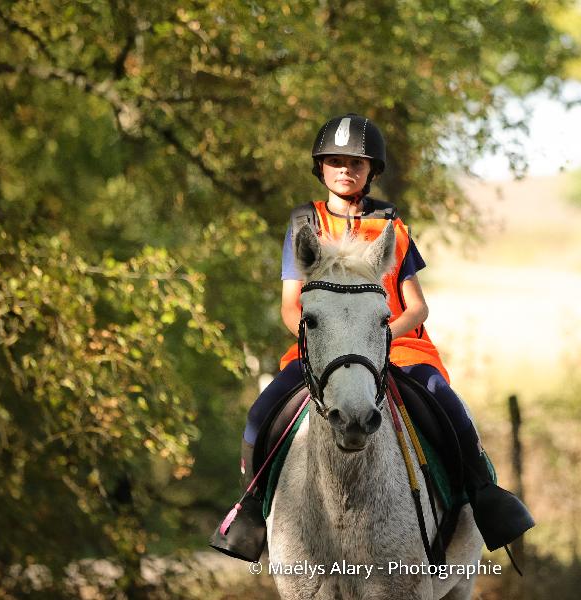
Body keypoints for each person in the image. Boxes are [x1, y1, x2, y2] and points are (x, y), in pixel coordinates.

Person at [222, 113, 534, 561]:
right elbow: (291, 306)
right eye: (335, 161)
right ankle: (251, 510)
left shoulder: (392, 227)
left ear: (372, 172)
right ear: (320, 168)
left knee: (444, 400)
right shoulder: (303, 225)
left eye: (356, 163)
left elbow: (418, 308)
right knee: (261, 412)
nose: (345, 170)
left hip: (394, 346)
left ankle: (484, 495)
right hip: (323, 348)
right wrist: (320, 338)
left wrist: (378, 336)